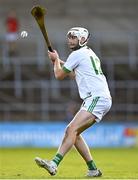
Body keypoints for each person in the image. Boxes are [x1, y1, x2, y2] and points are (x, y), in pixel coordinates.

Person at [35, 27, 112, 177]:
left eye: (74, 37)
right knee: (74, 134)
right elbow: (74, 74)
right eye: (69, 37)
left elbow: (59, 74)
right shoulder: (88, 53)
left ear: (82, 39)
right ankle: (93, 169)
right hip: (99, 98)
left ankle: (54, 164)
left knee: (70, 130)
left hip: (97, 98)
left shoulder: (77, 54)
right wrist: (57, 60)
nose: (70, 40)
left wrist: (56, 60)